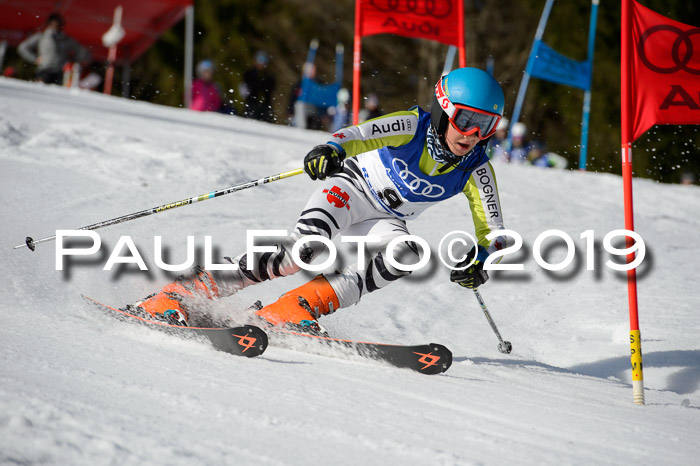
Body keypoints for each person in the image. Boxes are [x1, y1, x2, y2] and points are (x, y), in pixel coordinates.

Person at [130, 67, 509, 334]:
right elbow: (358, 134)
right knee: (300, 254)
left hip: (384, 218)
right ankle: (179, 294)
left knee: (406, 254)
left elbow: (494, 231)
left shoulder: (476, 168)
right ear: (444, 109)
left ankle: (295, 309)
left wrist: (482, 259)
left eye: (486, 125)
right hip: (351, 189)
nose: (474, 134)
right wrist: (330, 149)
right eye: (465, 120)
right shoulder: (413, 125)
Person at [17, 13, 90, 85]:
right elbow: (22, 47)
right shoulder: (41, 36)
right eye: (53, 24)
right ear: (48, 24)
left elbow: (82, 51)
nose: (55, 26)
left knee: (57, 94)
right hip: (43, 71)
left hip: (60, 73)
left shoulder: (66, 39)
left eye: (57, 25)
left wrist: (72, 61)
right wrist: (34, 58)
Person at [242, 50, 276, 122]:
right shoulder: (248, 74)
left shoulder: (269, 77)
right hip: (252, 104)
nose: (262, 63)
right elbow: (244, 91)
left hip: (265, 106)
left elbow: (270, 91)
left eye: (264, 60)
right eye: (260, 60)